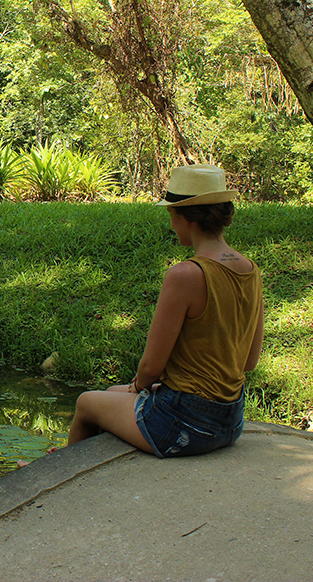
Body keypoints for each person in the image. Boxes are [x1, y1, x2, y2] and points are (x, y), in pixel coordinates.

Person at [67, 164, 264, 457]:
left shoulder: (185, 275)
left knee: (86, 402)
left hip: (186, 424)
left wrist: (140, 387)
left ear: (186, 218)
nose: (171, 224)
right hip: (230, 421)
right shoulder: (250, 269)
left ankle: (56, 472)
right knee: (109, 395)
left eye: (171, 214)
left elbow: (150, 367)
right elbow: (249, 361)